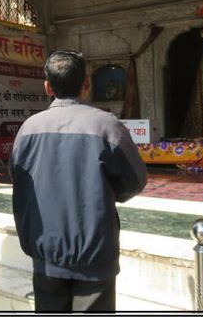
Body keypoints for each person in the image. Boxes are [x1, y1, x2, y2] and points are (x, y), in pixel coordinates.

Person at [10, 51, 147, 312]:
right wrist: (100, 191)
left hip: (45, 252)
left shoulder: (27, 129)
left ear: (47, 87)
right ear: (86, 83)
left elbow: (20, 181)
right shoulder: (107, 126)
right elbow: (135, 181)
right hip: (94, 252)